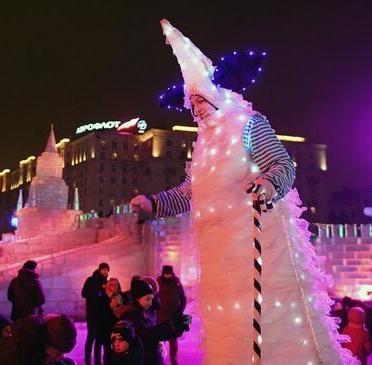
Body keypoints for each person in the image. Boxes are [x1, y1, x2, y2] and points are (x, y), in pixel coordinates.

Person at [130, 19, 357, 365]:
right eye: (192, 103)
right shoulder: (203, 146)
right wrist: (154, 203)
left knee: (269, 325)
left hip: (257, 244)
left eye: (202, 99)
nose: (198, 108)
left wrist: (266, 186)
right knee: (230, 326)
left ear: (216, 95)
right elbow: (190, 191)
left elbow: (283, 166)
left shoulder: (249, 126)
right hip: (220, 255)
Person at [120, 280, 190, 365]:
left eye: (152, 299)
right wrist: (172, 325)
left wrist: (177, 326)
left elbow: (157, 331)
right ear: (137, 298)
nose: (150, 303)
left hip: (152, 357)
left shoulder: (146, 313)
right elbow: (146, 334)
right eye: (147, 299)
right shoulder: (130, 316)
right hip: (143, 359)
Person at [0, 314, 77, 365]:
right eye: (59, 354)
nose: (58, 358)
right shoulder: (13, 353)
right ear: (49, 343)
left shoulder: (34, 347)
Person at [156, 265, 186, 365]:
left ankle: (174, 361)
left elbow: (183, 298)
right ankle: (160, 360)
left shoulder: (177, 283)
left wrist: (180, 310)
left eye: (169, 274)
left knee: (173, 343)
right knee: (159, 342)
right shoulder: (158, 283)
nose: (167, 276)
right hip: (160, 317)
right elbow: (153, 297)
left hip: (173, 317)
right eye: (166, 274)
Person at [81, 262, 109, 365]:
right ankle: (87, 360)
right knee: (91, 337)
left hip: (102, 314)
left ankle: (97, 361)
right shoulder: (91, 280)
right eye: (104, 269)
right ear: (100, 270)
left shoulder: (107, 282)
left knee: (99, 339)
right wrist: (98, 290)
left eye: (107, 270)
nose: (106, 272)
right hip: (92, 313)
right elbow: (84, 293)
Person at [97, 278, 123, 364]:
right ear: (108, 285)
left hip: (117, 325)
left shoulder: (120, 296)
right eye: (112, 284)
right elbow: (101, 312)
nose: (114, 287)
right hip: (106, 326)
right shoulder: (104, 297)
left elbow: (122, 310)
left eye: (116, 284)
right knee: (107, 349)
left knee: (117, 349)